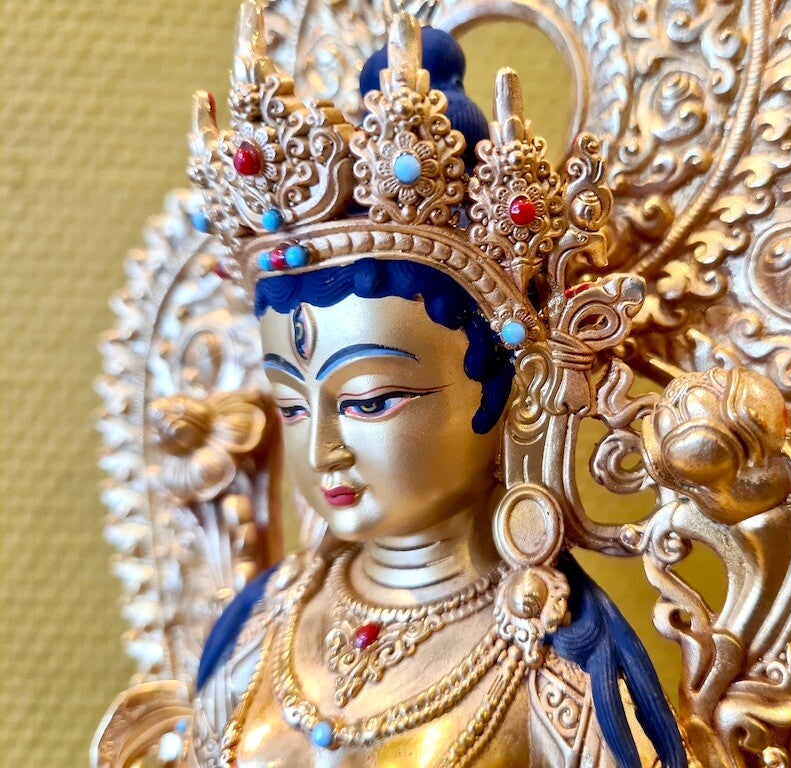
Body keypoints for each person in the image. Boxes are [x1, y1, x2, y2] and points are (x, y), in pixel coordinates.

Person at [177, 4, 686, 767]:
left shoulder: (550, 668)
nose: (321, 452)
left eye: (369, 401)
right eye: (292, 405)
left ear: (513, 393)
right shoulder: (259, 627)